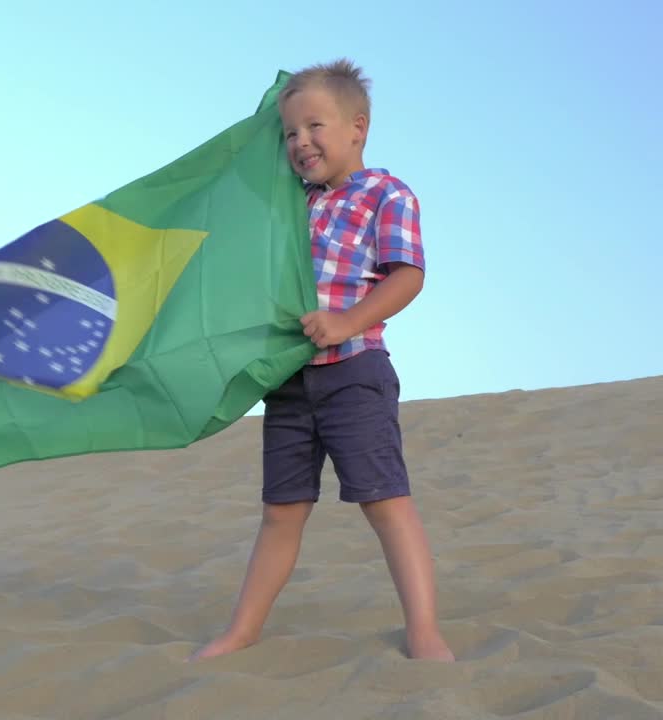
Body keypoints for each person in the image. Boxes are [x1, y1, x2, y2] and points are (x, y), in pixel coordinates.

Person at [190, 59, 453, 662]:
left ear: (358, 127)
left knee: (384, 501)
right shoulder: (291, 206)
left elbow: (408, 276)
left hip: (355, 371)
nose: (300, 142)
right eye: (289, 133)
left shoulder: (387, 193)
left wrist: (345, 322)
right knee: (281, 512)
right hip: (287, 383)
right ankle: (244, 628)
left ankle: (424, 630)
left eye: (315, 126)